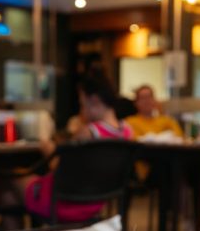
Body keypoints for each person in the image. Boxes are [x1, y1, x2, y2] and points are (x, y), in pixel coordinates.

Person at [22, 74, 133, 222]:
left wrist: (47, 149)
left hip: (65, 202)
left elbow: (61, 170)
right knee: (10, 195)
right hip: (95, 203)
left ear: (94, 100)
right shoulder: (127, 131)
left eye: (82, 105)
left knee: (8, 186)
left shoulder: (89, 132)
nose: (81, 110)